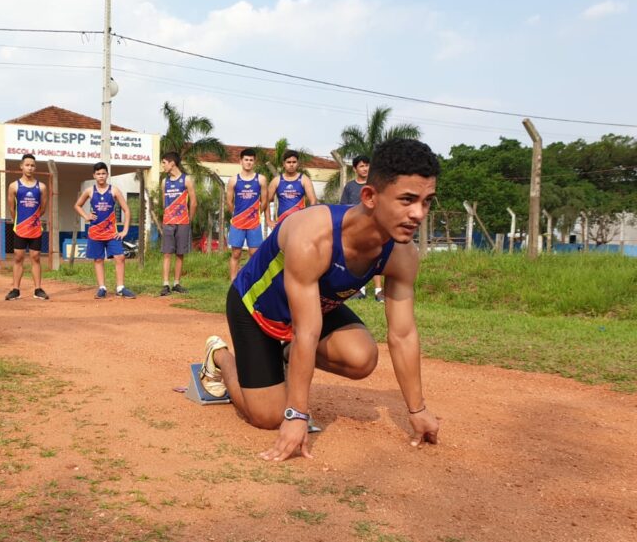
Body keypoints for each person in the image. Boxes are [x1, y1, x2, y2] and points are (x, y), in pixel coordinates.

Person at [200, 138, 441, 461]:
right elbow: (307, 332)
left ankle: (286, 358)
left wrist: (418, 409)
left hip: (312, 312)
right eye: (407, 200)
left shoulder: (402, 255)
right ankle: (219, 357)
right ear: (369, 196)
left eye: (427, 202)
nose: (418, 214)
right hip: (256, 310)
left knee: (362, 358)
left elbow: (403, 334)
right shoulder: (314, 235)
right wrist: (296, 415)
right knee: (269, 417)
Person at [73, 162, 136, 299]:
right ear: (94, 175)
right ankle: (102, 288)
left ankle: (120, 287)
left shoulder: (114, 190)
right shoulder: (90, 191)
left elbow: (126, 209)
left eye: (103, 173)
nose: (101, 176)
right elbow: (77, 205)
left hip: (112, 232)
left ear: (107, 175)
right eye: (98, 174)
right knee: (98, 259)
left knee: (120, 257)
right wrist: (86, 216)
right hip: (95, 231)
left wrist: (125, 230)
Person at [5, 154, 49, 301]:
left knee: (35, 257)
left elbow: (43, 208)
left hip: (35, 228)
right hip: (20, 228)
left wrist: (33, 220)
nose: (30, 168)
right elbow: (11, 208)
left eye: (32, 165)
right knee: (18, 257)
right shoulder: (14, 186)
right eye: (27, 165)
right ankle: (15, 290)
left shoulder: (41, 187)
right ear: (21, 166)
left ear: (35, 167)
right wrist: (20, 221)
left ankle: (38, 289)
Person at [339, 155, 380, 300]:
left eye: (367, 165)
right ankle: (358, 290)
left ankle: (378, 290)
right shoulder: (350, 187)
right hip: (355, 227)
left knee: (376, 256)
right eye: (362, 166)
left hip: (374, 225)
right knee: (356, 257)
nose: (365, 169)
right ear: (355, 169)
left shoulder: (376, 184)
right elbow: (343, 206)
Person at [159, 151, 197, 296]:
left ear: (172, 163)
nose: (163, 166)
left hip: (183, 222)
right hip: (168, 222)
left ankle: (177, 283)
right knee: (167, 253)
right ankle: (165, 284)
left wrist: (188, 219)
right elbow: (164, 201)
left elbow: (193, 202)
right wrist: (167, 215)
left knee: (180, 253)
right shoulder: (165, 182)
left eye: (164, 162)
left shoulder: (186, 180)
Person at [226, 148, 266, 282]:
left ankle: (251, 280)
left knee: (254, 254)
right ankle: (233, 281)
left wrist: (255, 215)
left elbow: (264, 201)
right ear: (241, 161)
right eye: (246, 160)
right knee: (236, 253)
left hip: (254, 223)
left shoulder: (261, 179)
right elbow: (229, 202)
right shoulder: (233, 180)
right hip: (238, 223)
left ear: (254, 162)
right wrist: (238, 215)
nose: (248, 162)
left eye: (251, 160)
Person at [266, 149, 317, 228]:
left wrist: (308, 218)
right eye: (288, 162)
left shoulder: (304, 179)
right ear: (284, 164)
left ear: (298, 163)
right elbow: (266, 201)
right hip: (282, 222)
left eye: (294, 162)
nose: (291, 164)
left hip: (300, 222)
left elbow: (313, 201)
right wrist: (268, 220)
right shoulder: (276, 180)